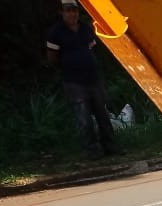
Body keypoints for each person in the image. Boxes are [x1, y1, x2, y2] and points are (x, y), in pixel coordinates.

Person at [46, 0, 122, 159]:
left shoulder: (86, 28)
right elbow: (52, 58)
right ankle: (91, 151)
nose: (72, 13)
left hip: (93, 78)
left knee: (103, 114)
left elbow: (92, 48)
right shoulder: (56, 32)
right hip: (74, 81)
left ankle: (110, 147)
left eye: (75, 10)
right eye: (68, 10)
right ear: (62, 12)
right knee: (83, 118)